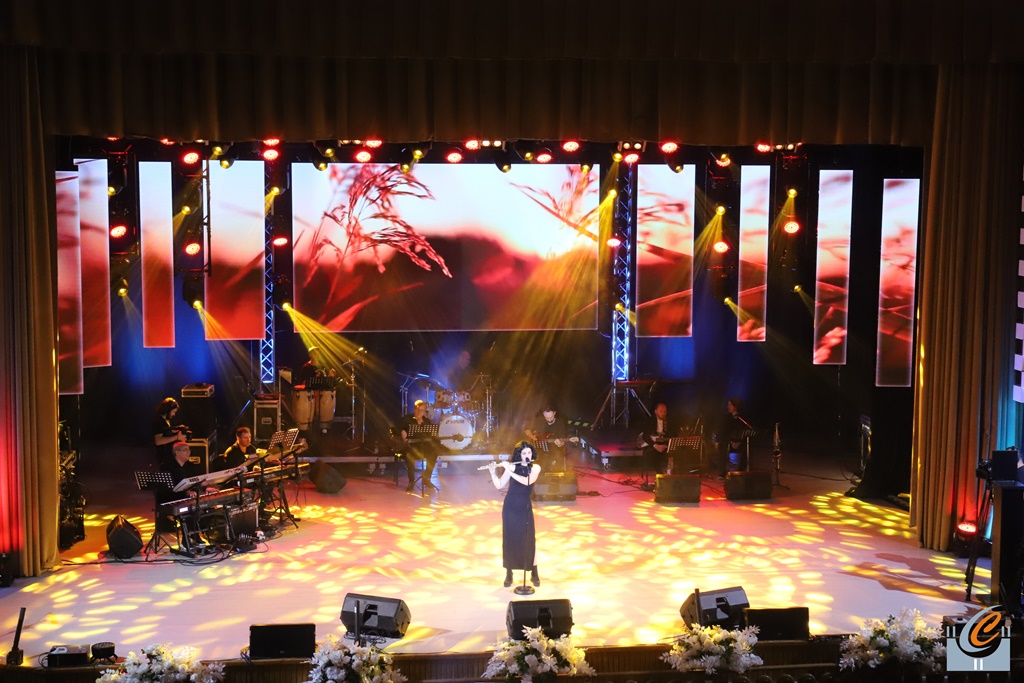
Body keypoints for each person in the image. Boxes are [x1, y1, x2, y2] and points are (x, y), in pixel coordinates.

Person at [487, 440, 542, 588]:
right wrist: (492, 472)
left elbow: (526, 481)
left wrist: (509, 469)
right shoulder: (512, 466)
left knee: (528, 539)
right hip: (510, 507)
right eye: (524, 453)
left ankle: (534, 572)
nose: (527, 455)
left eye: (529, 452)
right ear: (519, 455)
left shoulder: (535, 467)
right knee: (510, 539)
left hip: (524, 507)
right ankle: (509, 573)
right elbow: (499, 485)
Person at [399, 399, 438, 492]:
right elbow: (399, 429)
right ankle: (411, 481)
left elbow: (431, 436)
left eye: (421, 410)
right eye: (417, 409)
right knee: (410, 456)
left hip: (423, 447)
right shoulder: (407, 419)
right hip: (411, 447)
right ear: (414, 409)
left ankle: (426, 478)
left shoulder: (426, 421)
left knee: (434, 453)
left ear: (424, 412)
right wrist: (403, 432)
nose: (419, 412)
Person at [636, 402, 675, 486]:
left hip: (664, 445)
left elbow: (671, 435)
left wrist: (665, 446)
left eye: (665, 411)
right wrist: (655, 445)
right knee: (652, 454)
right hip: (652, 444)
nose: (663, 413)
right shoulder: (650, 421)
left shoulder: (669, 421)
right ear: (656, 411)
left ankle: (670, 476)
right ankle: (660, 475)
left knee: (672, 452)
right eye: (661, 411)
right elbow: (645, 436)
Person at [525, 404, 570, 472]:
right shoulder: (539, 421)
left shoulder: (560, 424)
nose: (549, 419)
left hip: (554, 450)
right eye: (546, 417)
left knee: (557, 456)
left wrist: (561, 443)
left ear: (554, 413)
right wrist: (531, 436)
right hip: (539, 450)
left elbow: (563, 440)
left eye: (551, 417)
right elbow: (527, 429)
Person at [713, 397, 751, 477]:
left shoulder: (741, 418)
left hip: (739, 441)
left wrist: (739, 442)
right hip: (728, 441)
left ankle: (742, 471)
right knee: (722, 446)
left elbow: (743, 431)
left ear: (735, 406)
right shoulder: (726, 418)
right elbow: (723, 432)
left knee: (746, 446)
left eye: (730, 405)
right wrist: (731, 441)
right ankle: (722, 473)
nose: (728, 407)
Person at [152, 397, 188, 469]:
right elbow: (158, 441)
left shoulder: (164, 421)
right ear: (168, 410)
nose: (174, 414)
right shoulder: (159, 421)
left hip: (165, 457)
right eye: (173, 412)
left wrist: (176, 430)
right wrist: (177, 437)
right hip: (158, 458)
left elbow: (165, 433)